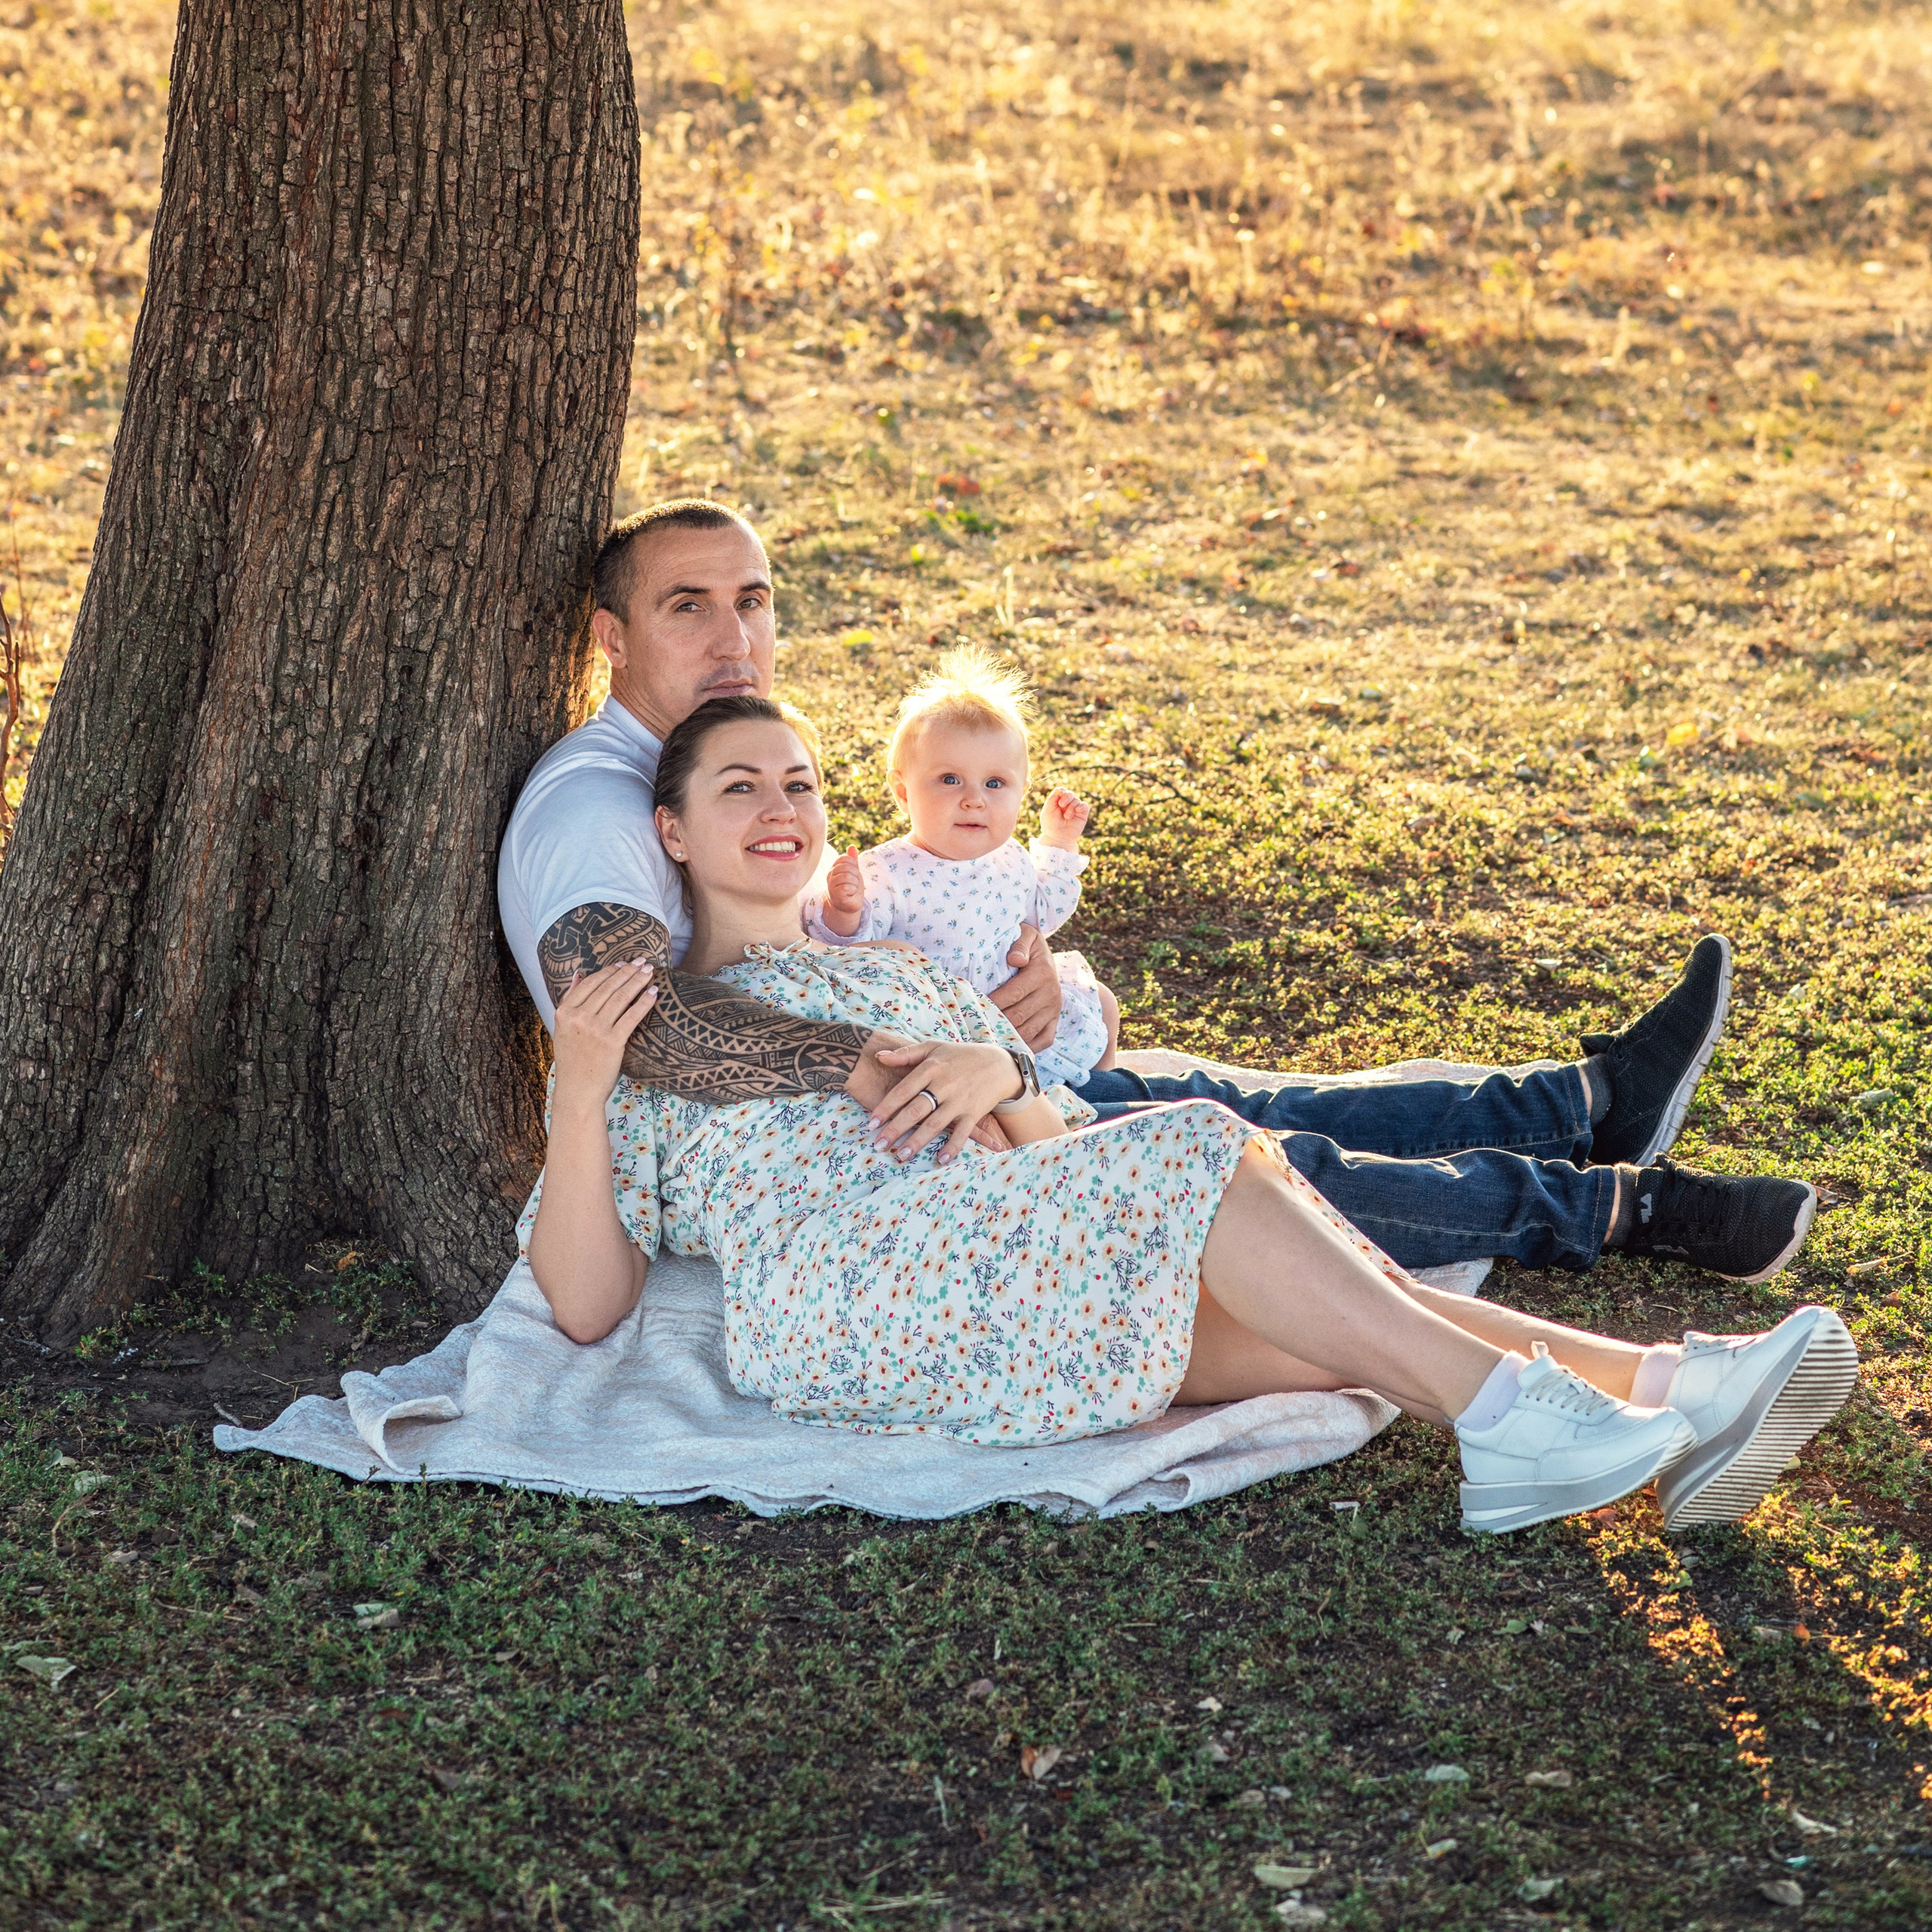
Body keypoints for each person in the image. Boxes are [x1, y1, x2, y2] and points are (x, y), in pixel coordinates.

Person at [519, 696, 1859, 1537]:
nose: (778, 806)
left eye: (800, 781)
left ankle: (1672, 1394)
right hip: (848, 1288)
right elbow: (585, 1303)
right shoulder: (667, 1026)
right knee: (1209, 1150)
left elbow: (1061, 1152)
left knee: (1315, 1306)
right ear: (673, 830)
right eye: (738, 785)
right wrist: (582, 1094)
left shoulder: (907, 973)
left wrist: (1008, 1079)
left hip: (996, 1247)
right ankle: (1517, 1422)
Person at [497, 496, 1817, 1283]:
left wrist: (1011, 998)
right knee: (1266, 1163)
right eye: (689, 606)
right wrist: (907, 1053)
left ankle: (1582, 1104)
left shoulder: (717, 742)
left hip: (954, 1081)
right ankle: (1620, 1207)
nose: (735, 636)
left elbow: (830, 920)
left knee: (1245, 1099)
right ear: (613, 635)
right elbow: (643, 1027)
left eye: (754, 598)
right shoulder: (591, 812)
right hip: (892, 1149)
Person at [802, 642, 1117, 1091]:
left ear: (1022, 792)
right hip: (945, 1031)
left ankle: (1098, 1091)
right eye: (950, 780)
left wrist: (1058, 842)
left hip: (1017, 1015)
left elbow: (1043, 914)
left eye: (995, 783)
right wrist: (845, 909)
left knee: (1101, 1002)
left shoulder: (1010, 858)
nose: (974, 798)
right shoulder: (888, 871)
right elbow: (852, 950)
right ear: (903, 791)